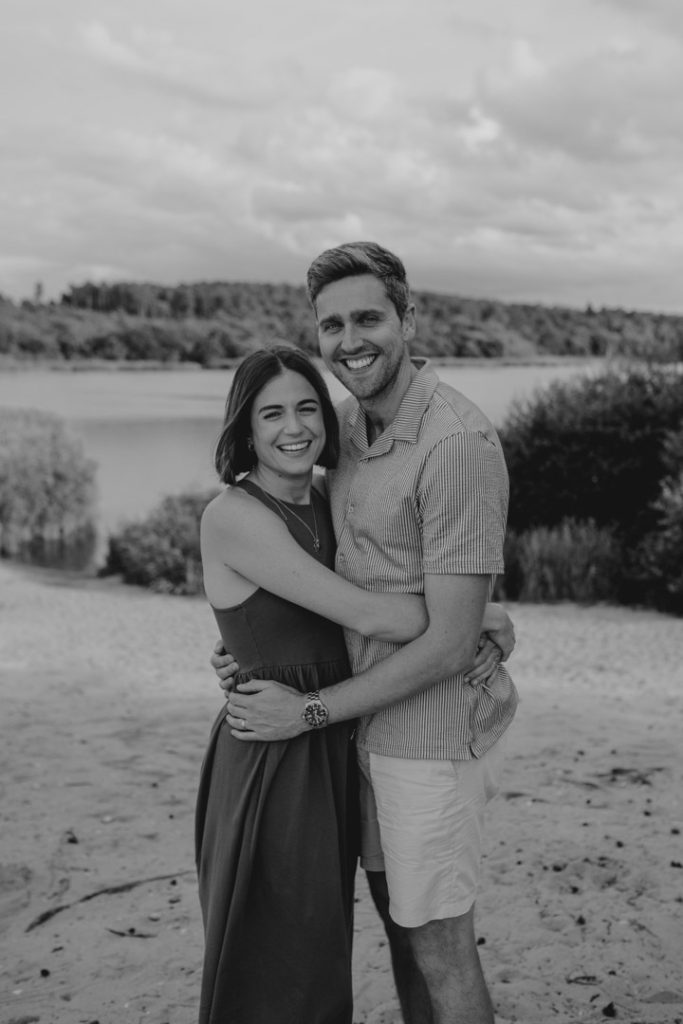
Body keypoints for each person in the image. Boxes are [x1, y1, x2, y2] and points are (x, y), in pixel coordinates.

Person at [214, 242, 519, 1024]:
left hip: (425, 732)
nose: (351, 339)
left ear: (408, 318)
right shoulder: (342, 431)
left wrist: (310, 708)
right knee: (401, 934)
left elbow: (448, 646)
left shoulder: (455, 445)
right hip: (356, 738)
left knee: (441, 949)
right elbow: (305, 565)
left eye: (369, 318)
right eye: (333, 324)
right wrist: (252, 645)